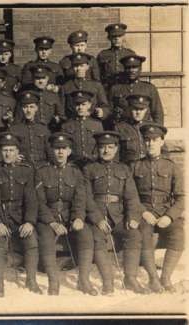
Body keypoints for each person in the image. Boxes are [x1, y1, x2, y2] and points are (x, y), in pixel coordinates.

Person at [83, 130, 154, 294]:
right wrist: (97, 219)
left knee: (134, 235)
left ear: (115, 149)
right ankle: (108, 282)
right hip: (98, 214)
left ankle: (130, 278)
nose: (106, 151)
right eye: (102, 147)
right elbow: (86, 198)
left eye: (110, 147)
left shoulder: (124, 169)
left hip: (119, 215)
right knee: (97, 238)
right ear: (98, 149)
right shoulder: (89, 169)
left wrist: (133, 217)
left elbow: (131, 197)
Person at [35, 132, 95, 295]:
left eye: (64, 149)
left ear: (69, 151)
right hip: (48, 218)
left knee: (86, 234)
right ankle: (53, 281)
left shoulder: (76, 173)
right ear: (51, 151)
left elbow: (80, 199)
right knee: (46, 237)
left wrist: (78, 218)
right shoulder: (41, 172)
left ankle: (83, 280)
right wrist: (52, 222)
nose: (60, 152)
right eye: (56, 149)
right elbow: (39, 202)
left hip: (70, 216)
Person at [0, 132, 41, 296]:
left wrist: (30, 221)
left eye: (11, 150)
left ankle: (31, 280)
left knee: (31, 239)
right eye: (5, 150)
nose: (8, 154)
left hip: (20, 217)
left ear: (18, 152)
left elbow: (31, 200)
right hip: (1, 216)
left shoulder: (26, 171)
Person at [132, 123, 184, 293]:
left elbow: (181, 197)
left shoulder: (172, 166)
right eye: (147, 140)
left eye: (154, 140)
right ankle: (153, 278)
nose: (150, 144)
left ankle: (166, 277)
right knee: (144, 234)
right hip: (144, 211)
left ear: (161, 142)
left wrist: (169, 216)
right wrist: (143, 212)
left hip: (165, 211)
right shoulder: (135, 166)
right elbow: (131, 196)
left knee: (178, 234)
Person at [108, 54, 164, 126]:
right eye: (128, 68)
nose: (131, 70)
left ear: (140, 69)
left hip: (143, 129)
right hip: (122, 129)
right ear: (124, 69)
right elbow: (109, 112)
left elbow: (157, 113)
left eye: (134, 67)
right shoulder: (115, 89)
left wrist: (156, 133)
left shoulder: (149, 88)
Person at [61, 53, 110, 120]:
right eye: (75, 66)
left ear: (87, 66)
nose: (78, 69)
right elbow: (62, 109)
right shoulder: (66, 87)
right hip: (73, 123)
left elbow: (105, 106)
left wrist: (102, 112)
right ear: (72, 67)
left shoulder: (96, 86)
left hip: (93, 122)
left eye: (82, 66)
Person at [61, 90, 104, 167]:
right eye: (77, 104)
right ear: (73, 105)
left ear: (89, 105)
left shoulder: (97, 125)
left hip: (93, 164)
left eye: (83, 104)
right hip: (73, 164)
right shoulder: (66, 126)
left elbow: (100, 145)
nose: (80, 107)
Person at [9, 90, 50, 166]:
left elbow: (50, 152)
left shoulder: (43, 129)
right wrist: (14, 156)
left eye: (31, 107)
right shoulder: (14, 129)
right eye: (25, 107)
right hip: (23, 166)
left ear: (36, 108)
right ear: (21, 108)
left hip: (41, 166)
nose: (28, 110)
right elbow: (9, 150)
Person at [18, 64, 65, 130]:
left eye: (43, 78)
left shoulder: (53, 95)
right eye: (37, 78)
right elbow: (18, 118)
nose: (40, 81)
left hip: (49, 130)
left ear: (47, 78)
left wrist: (57, 120)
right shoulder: (25, 95)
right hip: (31, 130)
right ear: (33, 78)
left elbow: (61, 115)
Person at [114, 94, 151, 164]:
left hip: (147, 170)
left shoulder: (151, 126)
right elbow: (115, 155)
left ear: (146, 110)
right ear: (129, 108)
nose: (138, 112)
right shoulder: (120, 128)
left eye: (142, 109)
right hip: (129, 169)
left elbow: (163, 152)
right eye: (135, 109)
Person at [97, 23, 136, 89]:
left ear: (123, 37)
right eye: (114, 36)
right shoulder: (103, 55)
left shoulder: (130, 54)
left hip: (125, 88)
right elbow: (97, 75)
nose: (117, 39)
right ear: (109, 38)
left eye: (119, 36)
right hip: (108, 89)